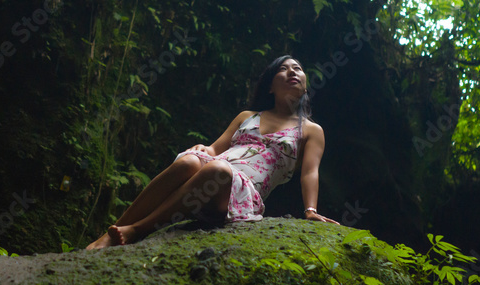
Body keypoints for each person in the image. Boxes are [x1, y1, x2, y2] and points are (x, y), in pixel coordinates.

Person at [86, 55, 338, 249]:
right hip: (213, 168)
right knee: (189, 163)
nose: (291, 71)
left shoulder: (310, 130)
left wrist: (311, 210)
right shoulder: (247, 117)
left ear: (305, 87)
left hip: (238, 191)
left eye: (297, 68)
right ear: (270, 86)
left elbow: (309, 173)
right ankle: (110, 233)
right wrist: (200, 149)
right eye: (283, 68)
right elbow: (216, 148)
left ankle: (137, 229)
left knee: (218, 170)